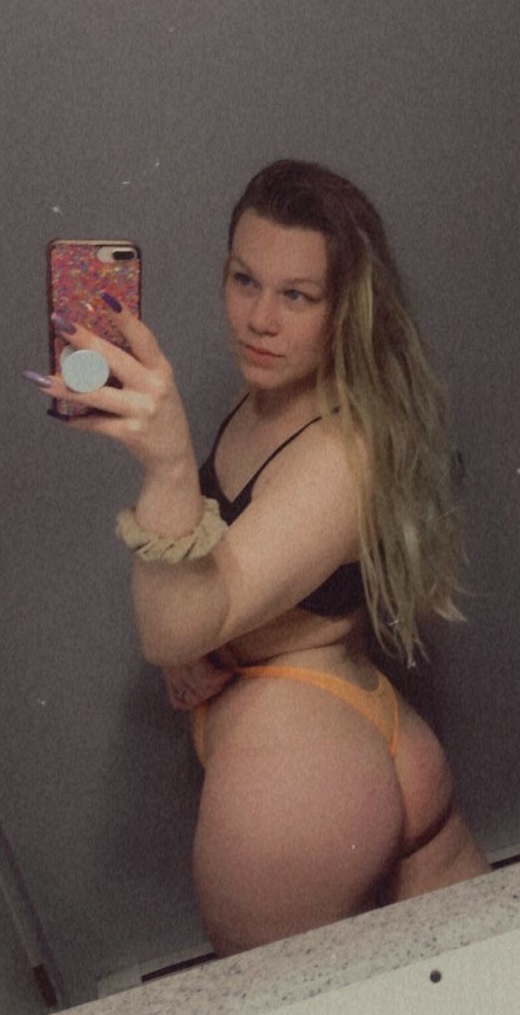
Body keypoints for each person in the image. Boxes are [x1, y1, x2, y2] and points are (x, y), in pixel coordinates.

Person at [30, 159, 489, 957]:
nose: (260, 320)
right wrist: (212, 639)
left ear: (345, 307)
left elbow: (177, 624)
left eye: (297, 296)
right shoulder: (275, 393)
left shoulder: (342, 453)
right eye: (246, 280)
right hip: (343, 734)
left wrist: (170, 467)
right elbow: (231, 575)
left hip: (298, 778)